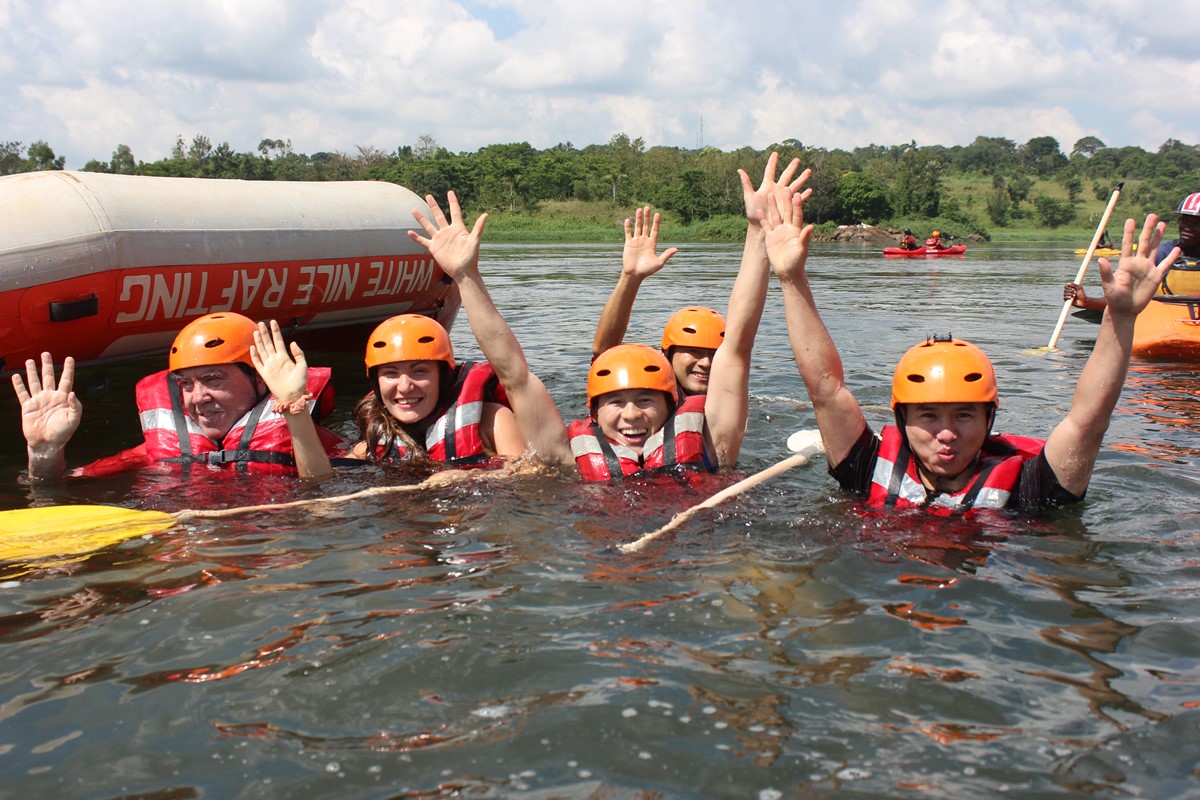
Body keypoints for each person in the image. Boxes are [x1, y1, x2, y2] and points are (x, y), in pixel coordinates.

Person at [761, 182, 1178, 513]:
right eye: (928, 415)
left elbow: (1088, 421)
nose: (947, 434)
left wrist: (1119, 319)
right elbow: (824, 386)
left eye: (964, 414)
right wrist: (791, 279)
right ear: (901, 419)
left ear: (990, 417)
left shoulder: (1029, 490)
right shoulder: (865, 468)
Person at [11, 313, 342, 480]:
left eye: (213, 379)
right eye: (186, 384)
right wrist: (45, 452)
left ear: (260, 379)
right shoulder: (154, 451)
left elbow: (323, 492)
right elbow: (60, 484)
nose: (198, 397)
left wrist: (294, 411)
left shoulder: (317, 444)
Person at [592, 152, 810, 398]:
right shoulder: (646, 399)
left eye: (714, 353)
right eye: (694, 351)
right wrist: (630, 278)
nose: (705, 363)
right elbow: (604, 354)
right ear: (667, 355)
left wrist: (758, 228)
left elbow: (739, 344)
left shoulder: (726, 403)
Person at [344, 313, 524, 466]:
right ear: (377, 383)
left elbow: (528, 476)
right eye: (391, 373)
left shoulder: (492, 420)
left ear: (444, 377)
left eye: (419, 371)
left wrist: (465, 477)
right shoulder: (371, 442)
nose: (405, 387)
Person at [1065, 190, 1200, 311]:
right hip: (1161, 324)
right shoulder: (1161, 254)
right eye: (1185, 221)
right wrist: (1087, 302)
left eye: (1196, 223)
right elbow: (1127, 299)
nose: (1187, 227)